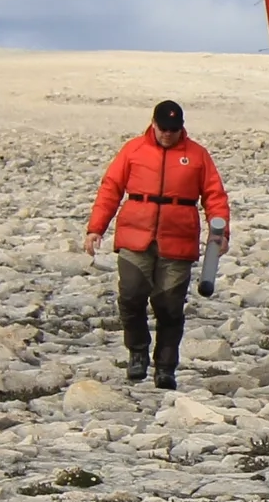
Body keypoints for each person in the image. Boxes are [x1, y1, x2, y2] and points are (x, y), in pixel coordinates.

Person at [85, 100, 231, 390]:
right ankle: (137, 352)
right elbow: (111, 188)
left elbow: (215, 195)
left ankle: (165, 368)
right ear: (153, 124)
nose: (167, 134)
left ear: (181, 129)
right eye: (163, 128)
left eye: (173, 130)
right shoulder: (133, 150)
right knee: (131, 295)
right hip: (135, 234)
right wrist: (95, 229)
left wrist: (221, 232)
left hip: (178, 237)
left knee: (170, 305)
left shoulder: (197, 155)